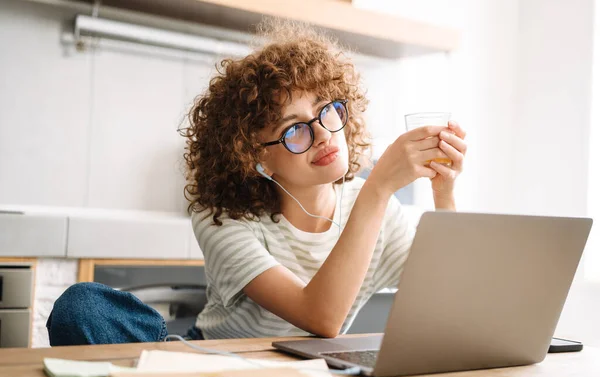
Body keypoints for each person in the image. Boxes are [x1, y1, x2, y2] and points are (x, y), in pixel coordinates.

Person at [46, 20, 467, 346]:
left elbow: (449, 296)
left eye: (327, 111)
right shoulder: (222, 218)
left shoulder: (377, 209)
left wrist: (443, 192)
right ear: (255, 155)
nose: (322, 133)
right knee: (82, 305)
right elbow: (321, 317)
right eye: (294, 129)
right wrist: (379, 187)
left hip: (311, 373)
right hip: (216, 360)